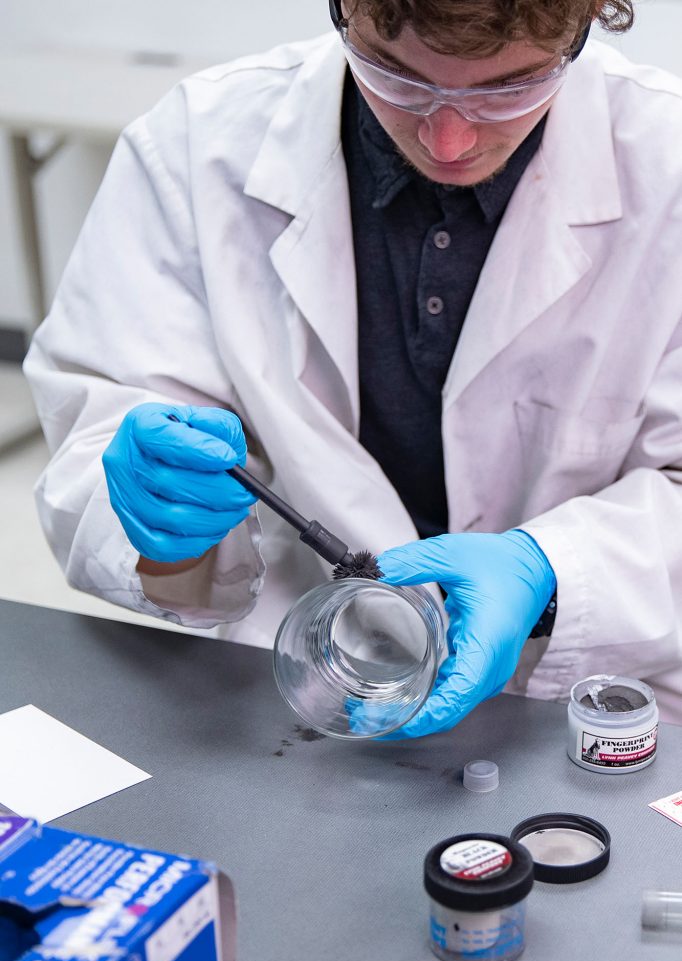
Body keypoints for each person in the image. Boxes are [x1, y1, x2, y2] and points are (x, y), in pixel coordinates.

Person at [23, 0, 682, 735]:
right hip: (299, 683)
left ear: (584, 27)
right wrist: (159, 520)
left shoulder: (668, 164)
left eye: (508, 88)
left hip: (601, 702)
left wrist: (552, 572)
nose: (450, 138)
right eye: (395, 76)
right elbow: (105, 415)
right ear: (341, 12)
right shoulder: (194, 145)